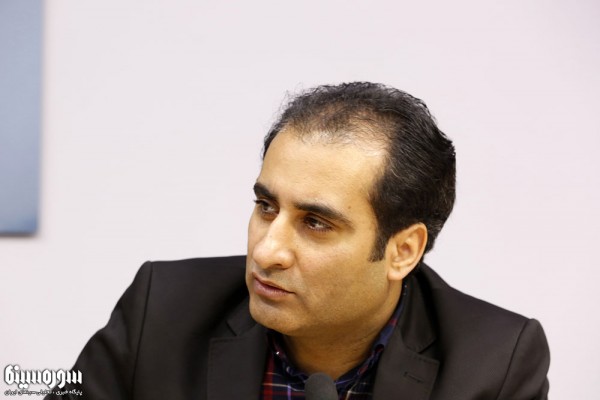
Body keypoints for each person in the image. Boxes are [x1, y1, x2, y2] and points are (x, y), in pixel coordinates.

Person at [46, 82, 550, 400]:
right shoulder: (161, 310)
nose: (267, 252)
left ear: (403, 251)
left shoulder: (494, 362)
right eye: (266, 207)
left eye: (316, 223)